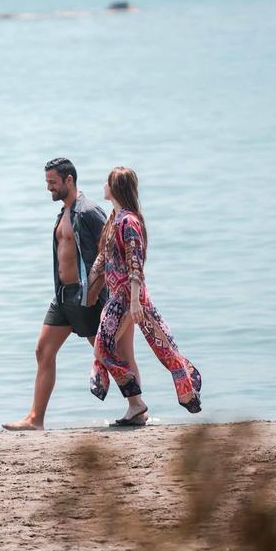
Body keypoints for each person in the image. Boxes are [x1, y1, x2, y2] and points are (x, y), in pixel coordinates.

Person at [3, 158, 132, 431]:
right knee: (43, 350)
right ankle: (35, 419)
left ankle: (137, 405)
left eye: (53, 182)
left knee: (107, 354)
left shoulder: (88, 212)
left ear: (69, 180)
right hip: (62, 297)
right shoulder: (64, 212)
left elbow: (110, 249)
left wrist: (111, 293)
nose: (49, 188)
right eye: (47, 182)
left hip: (86, 297)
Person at [88, 166, 202, 424]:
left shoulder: (129, 221)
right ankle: (137, 410)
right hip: (117, 297)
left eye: (106, 181)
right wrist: (90, 288)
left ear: (115, 187)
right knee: (122, 351)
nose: (102, 185)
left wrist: (136, 300)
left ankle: (137, 403)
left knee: (104, 349)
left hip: (128, 298)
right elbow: (103, 258)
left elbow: (135, 265)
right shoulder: (113, 219)